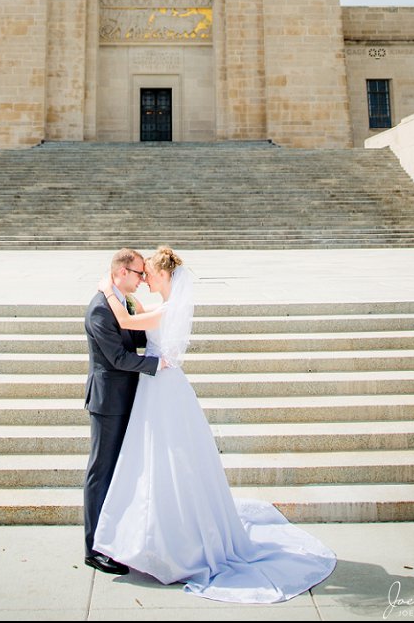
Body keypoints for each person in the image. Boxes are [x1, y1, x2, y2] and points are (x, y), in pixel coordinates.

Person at [92, 246, 337, 603]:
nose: (144, 279)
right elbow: (140, 316)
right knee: (161, 455)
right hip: (160, 384)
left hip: (162, 386)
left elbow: (129, 322)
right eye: (140, 274)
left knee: (166, 454)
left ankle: (166, 537)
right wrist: (123, 296)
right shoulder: (166, 306)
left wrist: (108, 291)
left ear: (164, 275)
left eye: (149, 274)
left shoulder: (168, 308)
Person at [83, 247, 166, 575]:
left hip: (126, 397)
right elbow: (118, 358)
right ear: (121, 272)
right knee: (101, 472)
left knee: (118, 472)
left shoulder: (123, 302)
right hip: (108, 403)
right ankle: (93, 548)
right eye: (139, 273)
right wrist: (157, 364)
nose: (142, 279)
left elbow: (136, 336)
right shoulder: (100, 309)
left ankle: (112, 539)